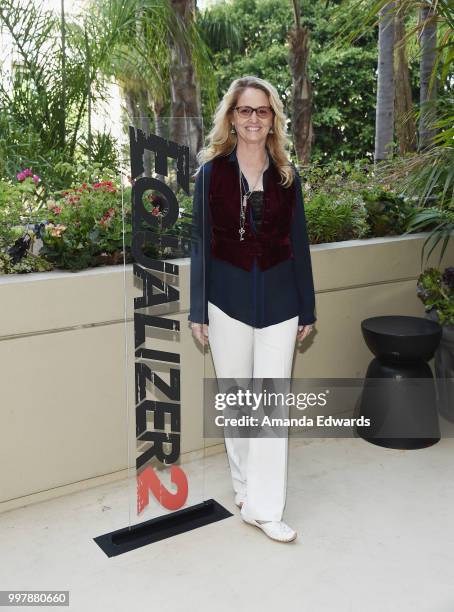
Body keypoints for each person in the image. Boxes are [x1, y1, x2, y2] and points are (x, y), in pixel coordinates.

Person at [188, 75, 316, 543]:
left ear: (272, 118)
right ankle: (243, 484)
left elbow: (299, 242)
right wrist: (197, 309)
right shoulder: (210, 174)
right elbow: (200, 244)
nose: (254, 119)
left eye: (262, 111)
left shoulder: (286, 173)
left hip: (281, 301)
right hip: (226, 301)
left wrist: (308, 307)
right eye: (245, 110)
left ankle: (265, 507)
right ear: (232, 117)